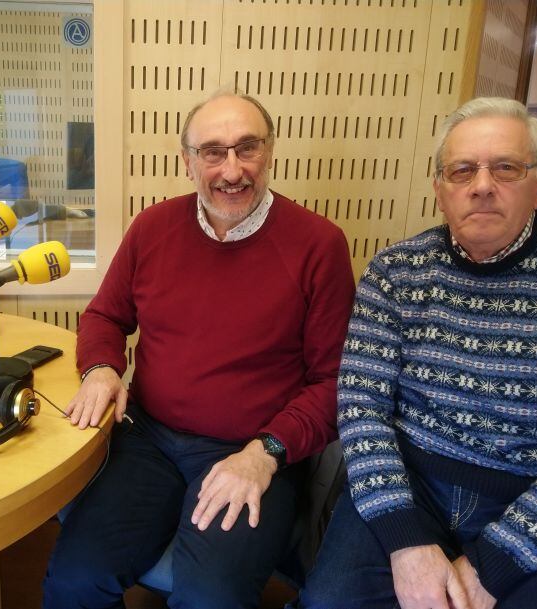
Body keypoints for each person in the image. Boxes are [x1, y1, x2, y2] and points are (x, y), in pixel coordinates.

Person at [294, 97, 537, 609]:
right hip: (408, 484)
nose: (482, 185)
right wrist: (406, 540)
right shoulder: (396, 272)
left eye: (505, 167)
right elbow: (361, 410)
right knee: (328, 602)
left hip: (530, 493)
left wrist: (494, 564)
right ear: (440, 188)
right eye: (462, 171)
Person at [42, 91, 355, 608]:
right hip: (148, 440)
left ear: (270, 152)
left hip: (252, 449)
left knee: (211, 597)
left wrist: (265, 453)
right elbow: (104, 316)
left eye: (246, 148)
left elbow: (332, 382)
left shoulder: (319, 245)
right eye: (213, 152)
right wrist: (100, 368)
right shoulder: (152, 228)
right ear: (187, 161)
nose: (232, 170)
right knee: (75, 578)